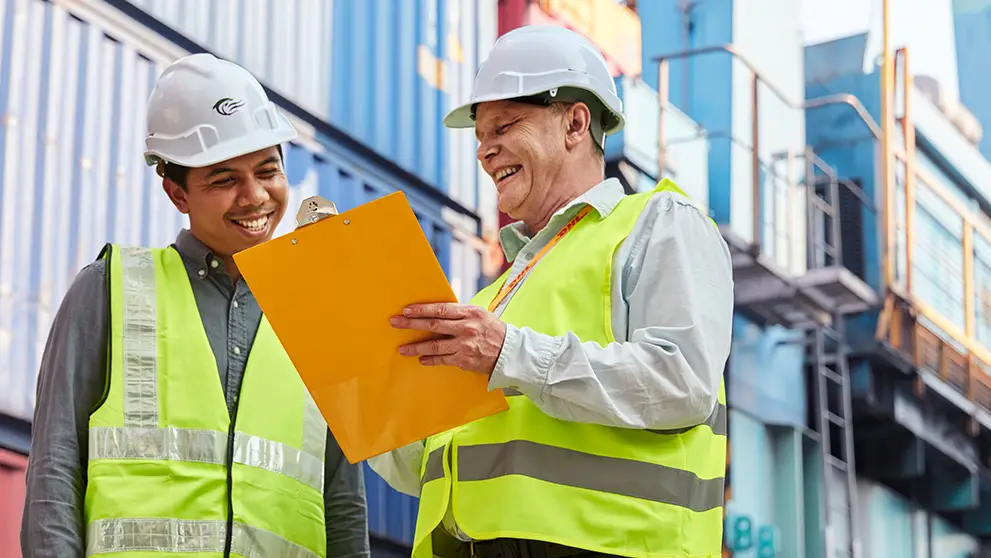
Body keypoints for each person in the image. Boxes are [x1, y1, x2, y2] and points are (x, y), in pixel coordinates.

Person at [368, 25, 734, 558]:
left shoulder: (657, 224)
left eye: (503, 127)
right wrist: (358, 380)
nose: (485, 152)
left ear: (575, 123)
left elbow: (682, 382)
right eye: (479, 138)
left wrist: (510, 354)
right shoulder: (492, 299)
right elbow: (420, 470)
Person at [21, 53, 369, 558]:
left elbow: (342, 501)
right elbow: (54, 469)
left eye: (267, 171)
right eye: (224, 180)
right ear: (176, 192)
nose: (254, 197)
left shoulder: (318, 312)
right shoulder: (108, 290)